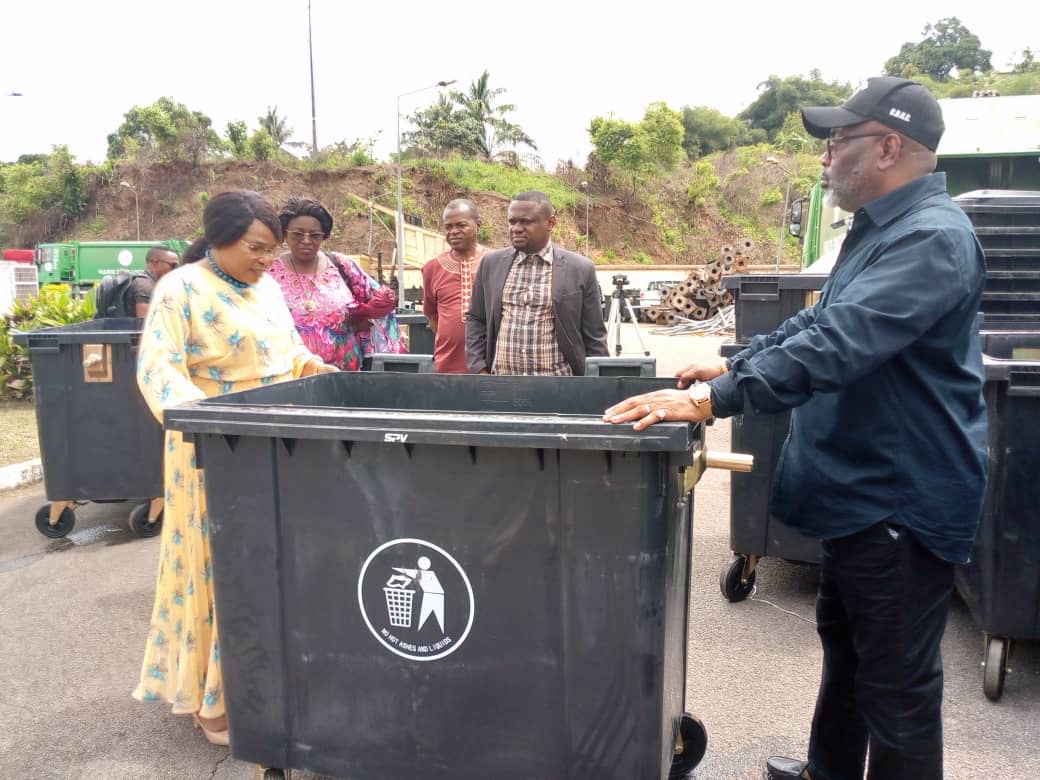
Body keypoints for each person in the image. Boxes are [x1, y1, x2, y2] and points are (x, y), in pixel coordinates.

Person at [604, 77, 987, 780]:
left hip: (900, 500)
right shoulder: (883, 230)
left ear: (889, 147)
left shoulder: (931, 239)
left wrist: (714, 400)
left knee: (898, 691)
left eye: (839, 142)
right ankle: (828, 770)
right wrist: (727, 360)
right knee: (845, 648)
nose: (825, 158)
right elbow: (816, 322)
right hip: (862, 495)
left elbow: (840, 344)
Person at [132, 190, 336, 746]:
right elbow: (158, 371)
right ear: (218, 238)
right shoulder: (181, 289)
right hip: (212, 449)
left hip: (271, 443)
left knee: (270, 565)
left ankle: (268, 680)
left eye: (271, 251)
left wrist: (314, 366)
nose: (267, 260)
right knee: (217, 566)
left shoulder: (267, 289)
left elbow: (288, 351)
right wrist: (212, 420)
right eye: (256, 248)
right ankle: (211, 695)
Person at [465, 190, 607, 375]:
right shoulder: (492, 264)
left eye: (526, 222)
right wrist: (479, 369)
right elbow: (476, 319)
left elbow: (594, 335)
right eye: (512, 222)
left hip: (558, 385)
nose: (516, 228)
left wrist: (601, 381)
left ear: (550, 223)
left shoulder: (580, 268)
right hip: (501, 384)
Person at [269, 196, 402, 370]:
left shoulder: (342, 265)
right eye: (298, 234)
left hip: (345, 377)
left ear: (324, 236)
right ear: (284, 234)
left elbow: (382, 299)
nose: (306, 240)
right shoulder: (269, 273)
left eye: (315, 235)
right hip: (293, 377)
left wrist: (363, 315)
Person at [422, 199, 487, 373]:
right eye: (448, 227)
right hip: (448, 365)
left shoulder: (495, 263)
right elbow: (432, 315)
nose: (454, 232)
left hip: (490, 364)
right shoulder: (432, 268)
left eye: (461, 225)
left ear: (478, 225)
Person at [132, 246, 181, 316]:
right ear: (155, 263)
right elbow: (144, 322)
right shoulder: (145, 285)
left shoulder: (154, 283)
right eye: (173, 265)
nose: (176, 269)